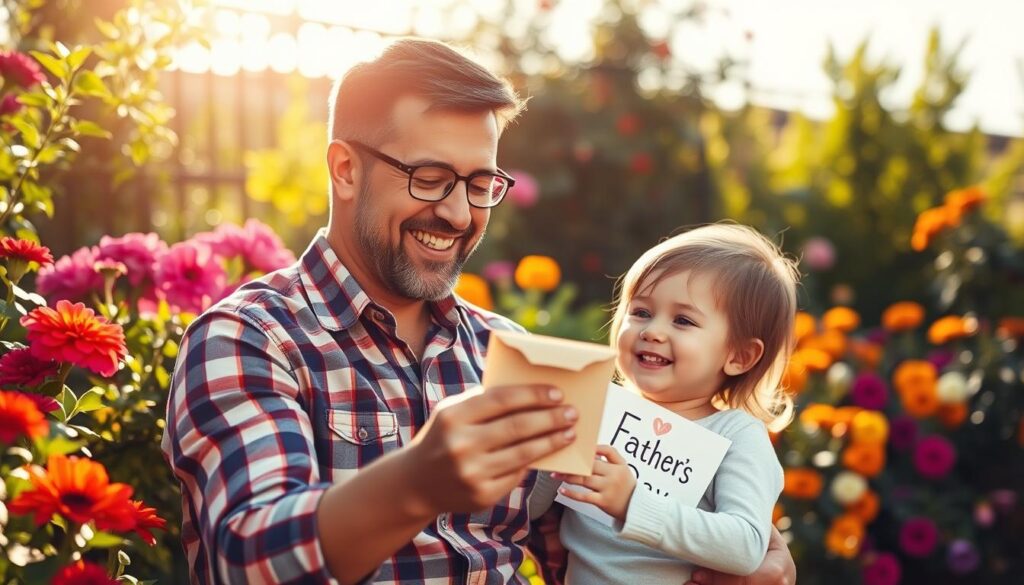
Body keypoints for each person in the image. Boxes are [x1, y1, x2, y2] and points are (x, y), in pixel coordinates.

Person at [161, 38, 796, 585]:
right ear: (346, 168)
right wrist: (416, 482)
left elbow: (581, 546)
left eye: (480, 183)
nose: (461, 215)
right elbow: (245, 562)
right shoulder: (249, 338)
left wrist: (747, 562)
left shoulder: (508, 350)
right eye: (430, 177)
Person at [529, 224, 799, 584]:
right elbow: (525, 510)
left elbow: (746, 545)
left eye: (683, 320)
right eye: (640, 312)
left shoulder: (737, 435)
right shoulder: (596, 407)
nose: (653, 331)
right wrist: (554, 454)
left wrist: (632, 504)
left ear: (740, 355)